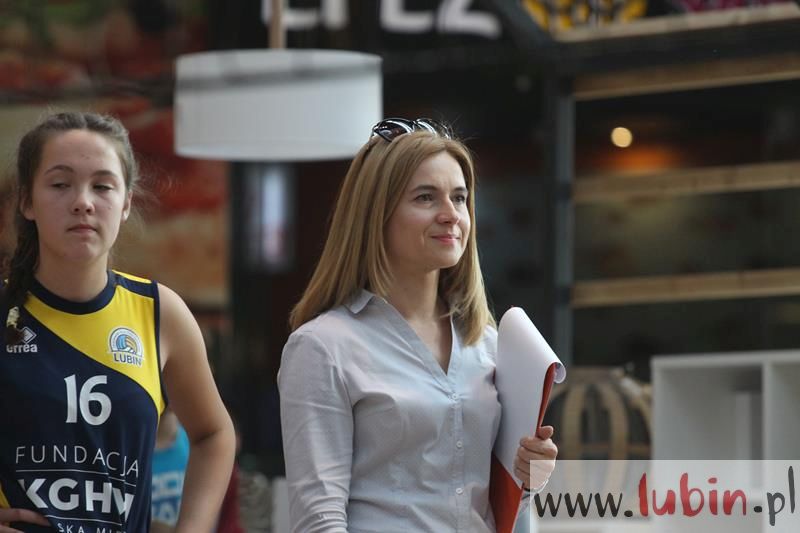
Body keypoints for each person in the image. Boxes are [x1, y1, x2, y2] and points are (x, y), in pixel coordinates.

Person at [278, 117, 558, 532]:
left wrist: (528, 479)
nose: (451, 215)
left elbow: (504, 509)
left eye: (459, 198)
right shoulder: (322, 347)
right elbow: (319, 519)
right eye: (426, 197)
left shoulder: (488, 344)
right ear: (376, 214)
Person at [0, 111, 236, 533]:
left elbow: (214, 434)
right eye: (60, 184)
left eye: (102, 186)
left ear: (126, 203)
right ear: (27, 202)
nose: (83, 202)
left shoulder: (160, 313)